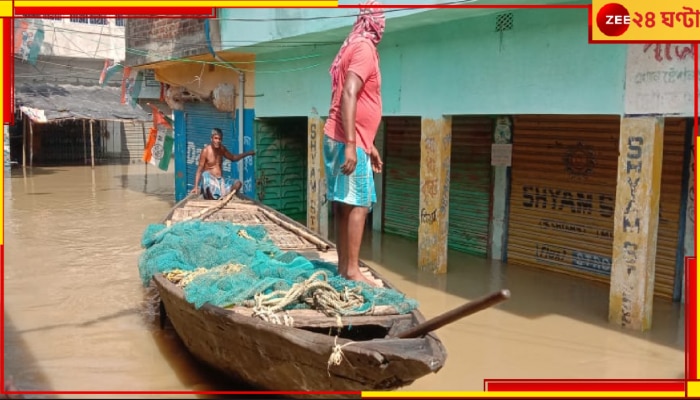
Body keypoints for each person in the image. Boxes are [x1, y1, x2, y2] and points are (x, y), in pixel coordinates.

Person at [323, 2, 385, 287]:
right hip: (347, 140)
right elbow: (348, 94)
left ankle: (343, 267)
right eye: (381, 20)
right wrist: (352, 144)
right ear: (373, 22)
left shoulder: (351, 46)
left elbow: (348, 99)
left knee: (343, 205)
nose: (383, 25)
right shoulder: (364, 49)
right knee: (360, 203)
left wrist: (368, 144)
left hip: (347, 137)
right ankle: (351, 271)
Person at [191, 128, 255, 200]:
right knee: (205, 174)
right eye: (216, 138)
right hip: (210, 182)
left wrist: (248, 153)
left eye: (220, 139)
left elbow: (233, 158)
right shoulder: (205, 151)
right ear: (211, 138)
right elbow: (199, 169)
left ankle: (223, 195)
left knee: (238, 184)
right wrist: (195, 187)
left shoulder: (222, 149)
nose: (218, 141)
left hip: (220, 181)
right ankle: (212, 195)